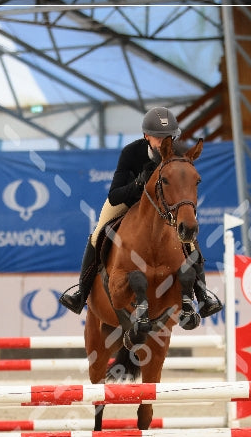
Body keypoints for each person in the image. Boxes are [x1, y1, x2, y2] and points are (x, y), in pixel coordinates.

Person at [58, 107, 223, 318]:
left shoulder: (180, 155)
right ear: (146, 136)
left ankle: (202, 295)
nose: (164, 142)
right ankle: (81, 292)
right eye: (158, 137)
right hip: (129, 202)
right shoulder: (131, 153)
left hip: (165, 209)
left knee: (189, 238)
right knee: (98, 233)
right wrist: (138, 184)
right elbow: (115, 195)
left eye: (168, 136)